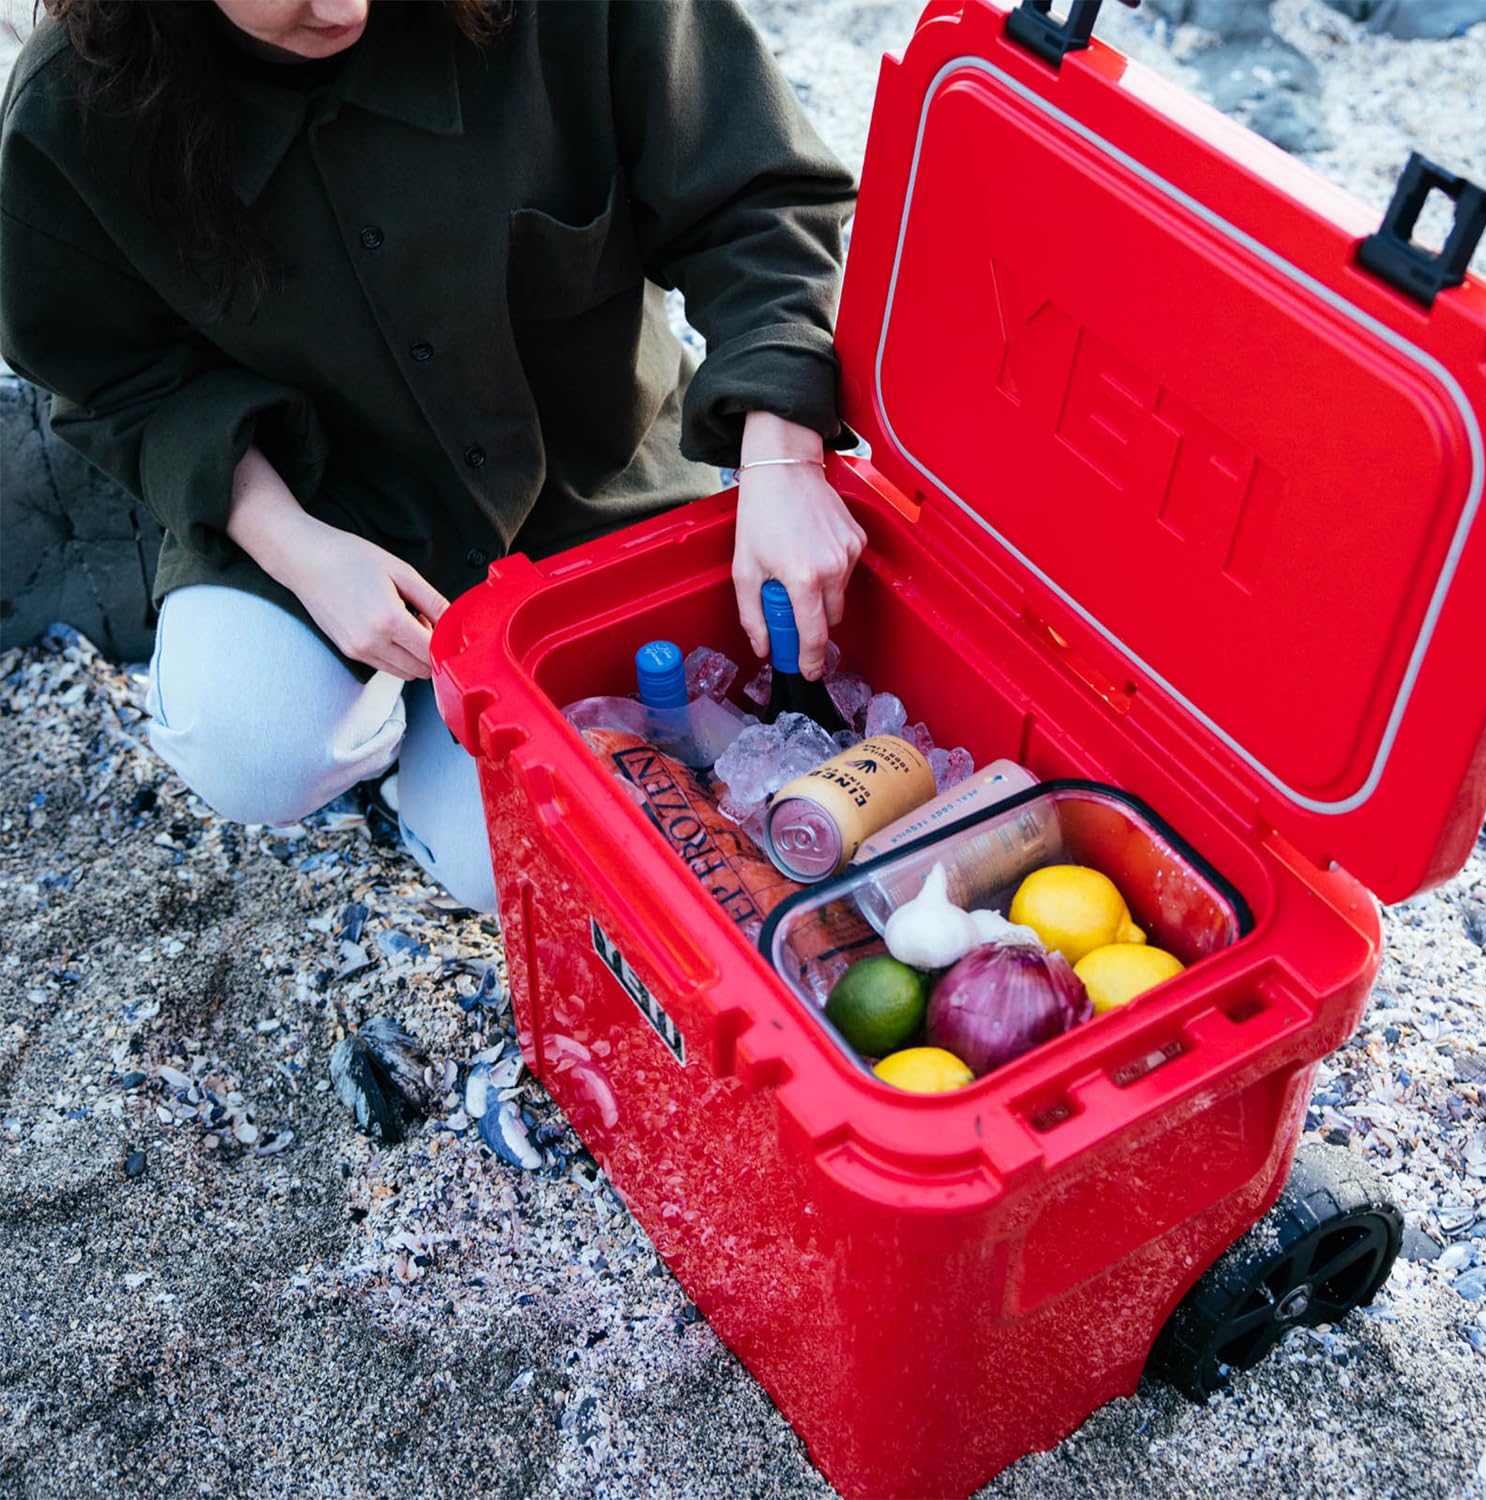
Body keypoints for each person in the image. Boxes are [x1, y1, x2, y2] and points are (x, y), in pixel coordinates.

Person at [0, 0, 867, 912]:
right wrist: (296, 548)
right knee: (254, 748)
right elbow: (117, 379)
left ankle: (428, 783)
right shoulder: (74, 109)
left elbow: (759, 200)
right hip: (316, 504)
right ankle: (375, 719)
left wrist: (782, 459)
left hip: (592, 487)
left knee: (517, 867)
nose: (344, 7)